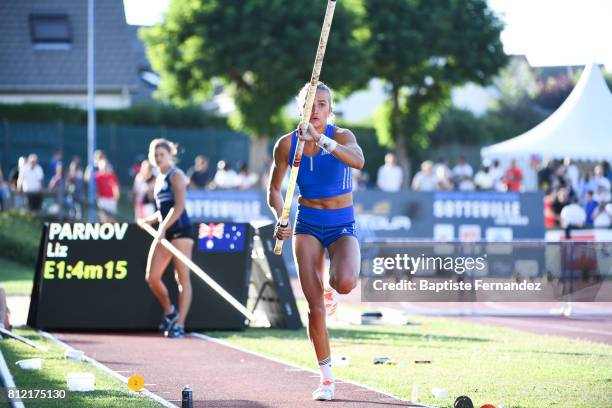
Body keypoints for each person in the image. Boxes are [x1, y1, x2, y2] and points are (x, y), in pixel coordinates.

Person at [267, 82, 363, 401]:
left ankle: (332, 287)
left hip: (340, 224)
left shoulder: (342, 136)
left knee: (345, 282)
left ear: (329, 109)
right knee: (315, 309)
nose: (316, 109)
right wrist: (281, 217)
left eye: (322, 104)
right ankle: (326, 379)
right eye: (310, 103)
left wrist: (321, 140)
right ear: (301, 108)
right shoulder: (286, 144)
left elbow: (357, 161)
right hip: (307, 223)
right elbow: (274, 189)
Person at [137, 138, 194, 339]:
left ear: (170, 155)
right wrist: (149, 220)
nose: (158, 158)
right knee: (152, 277)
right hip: (165, 230)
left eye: (162, 154)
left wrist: (162, 228)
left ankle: (180, 324)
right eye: (155, 155)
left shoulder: (176, 175)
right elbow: (163, 211)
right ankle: (170, 312)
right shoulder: (158, 178)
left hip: (180, 232)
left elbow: (178, 208)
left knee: (182, 279)